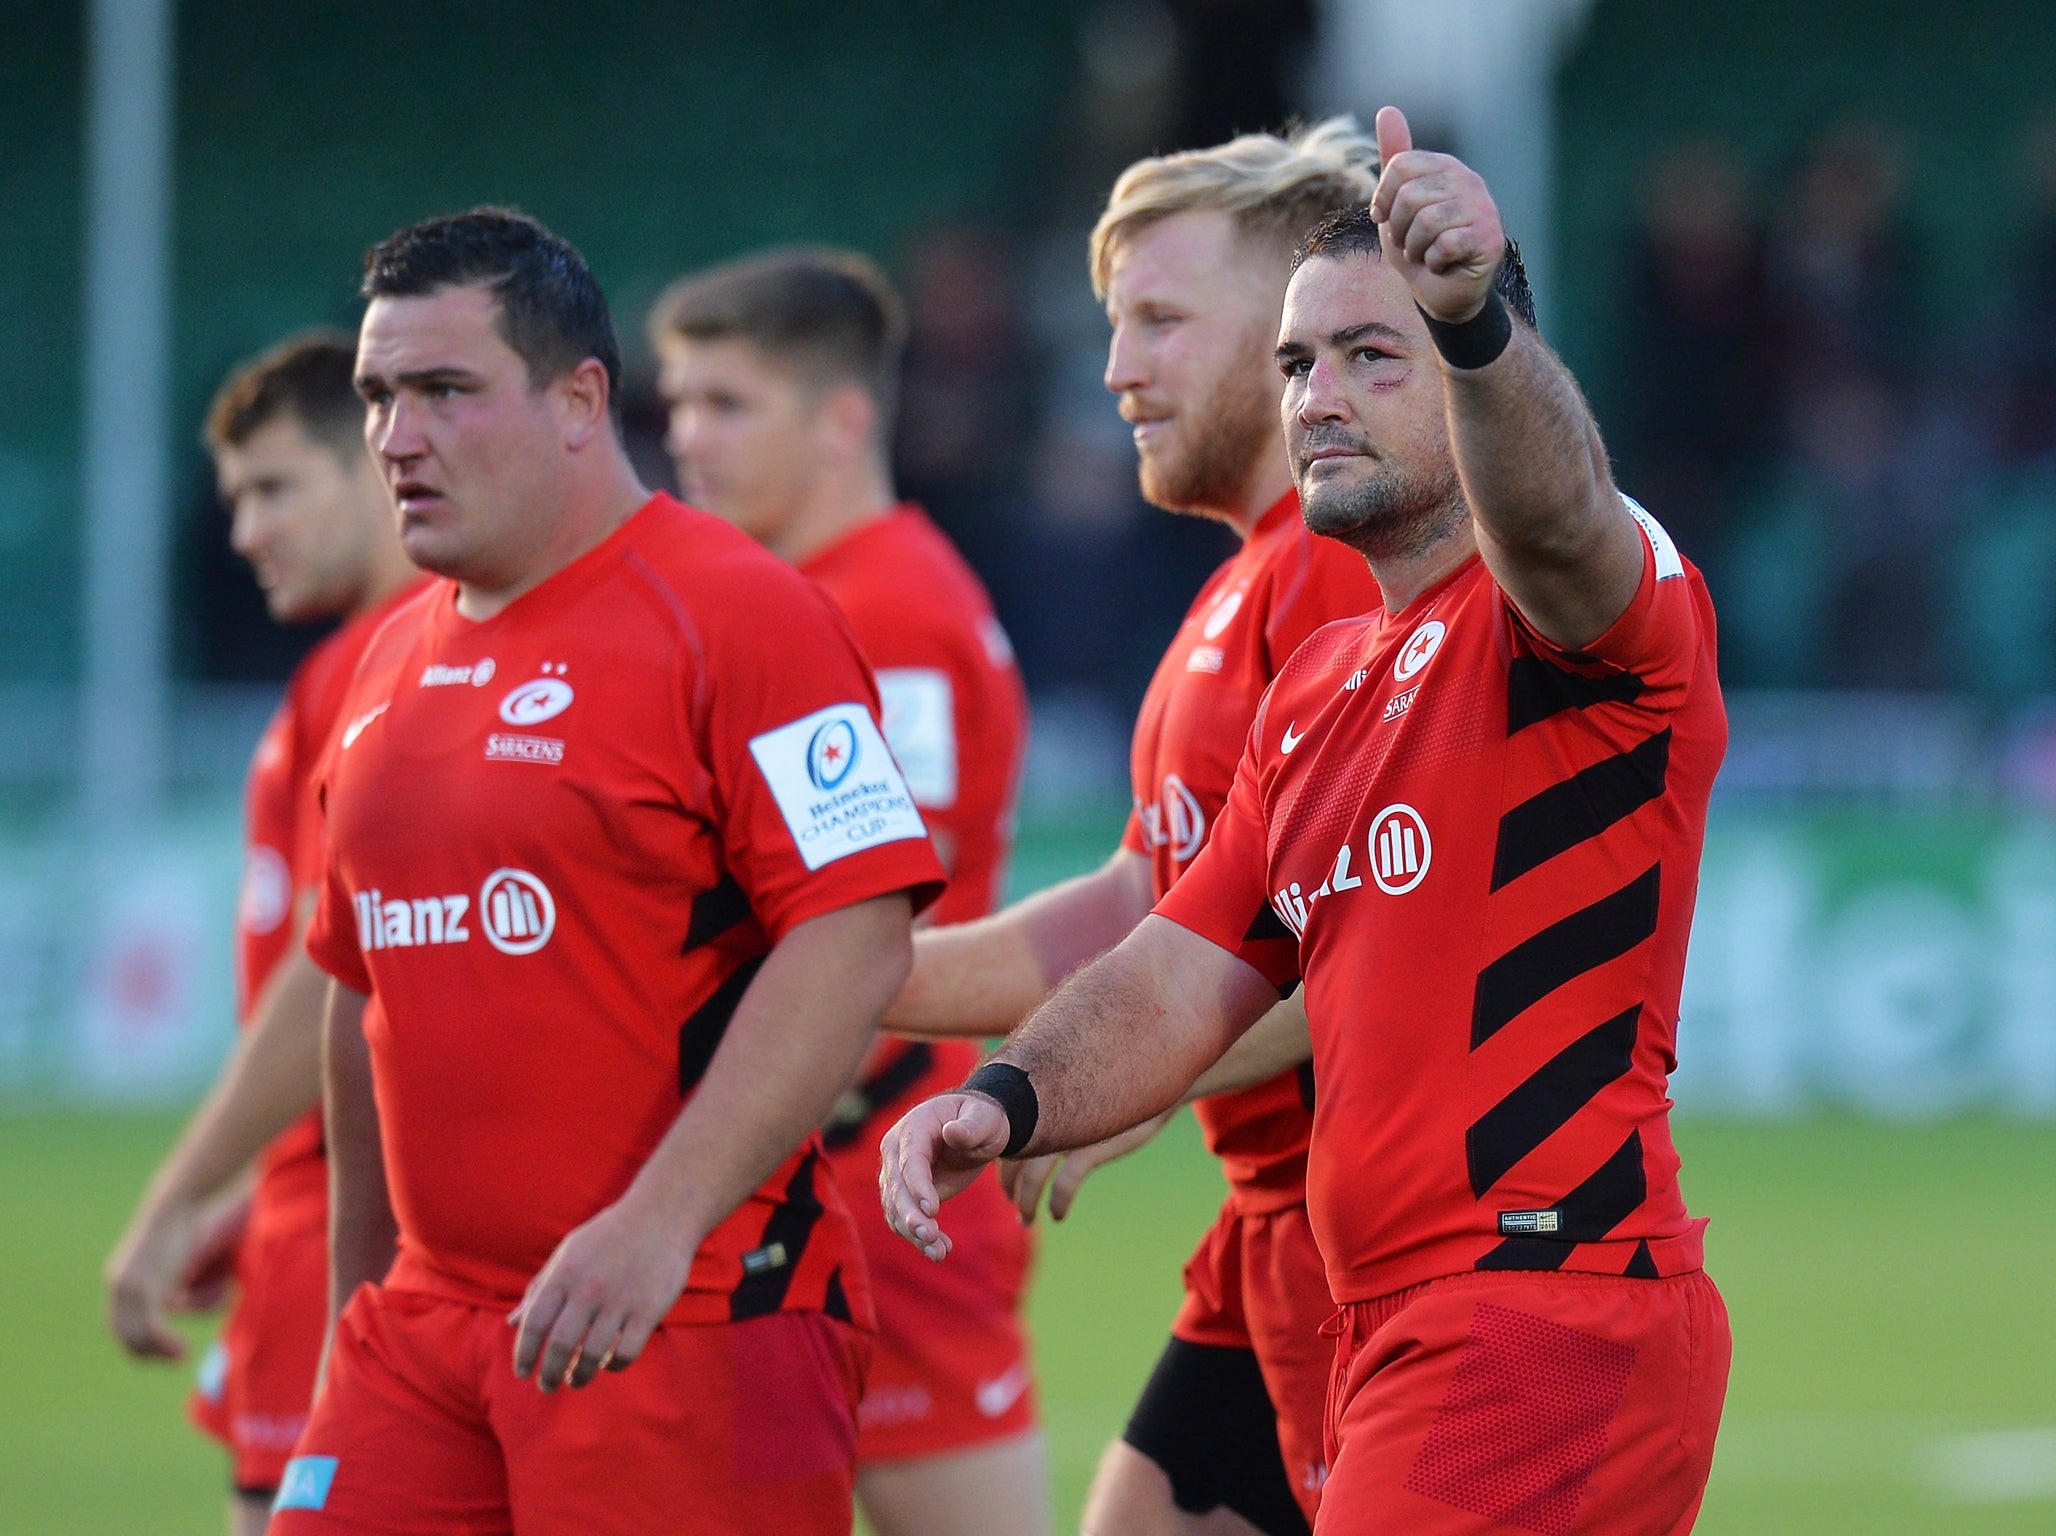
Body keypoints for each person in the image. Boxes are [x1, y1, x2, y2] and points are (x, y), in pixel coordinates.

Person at [882, 107, 1732, 1535]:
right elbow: (1175, 964)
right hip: (1387, 1305)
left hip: (1540, 1301)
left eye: (1370, 355)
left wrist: (1473, 324)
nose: (1318, 396)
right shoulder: (1324, 688)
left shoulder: (1576, 612)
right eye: (1296, 363)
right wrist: (1005, 1095)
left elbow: (1563, 512)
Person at [270, 208, 945, 1536]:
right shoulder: (380, 670)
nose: (396, 439)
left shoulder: (745, 615)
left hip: (693, 1309)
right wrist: (357, 1312)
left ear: (582, 398)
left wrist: (658, 1222)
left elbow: (858, 935)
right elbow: (364, 1002)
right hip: (420, 1333)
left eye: (445, 392)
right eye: (376, 397)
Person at [884, 120, 1386, 1536]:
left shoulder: (1349, 578)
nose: (1116, 370)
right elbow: (1142, 905)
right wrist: (857, 977)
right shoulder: (1239, 588)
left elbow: (1374, 940)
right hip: (1269, 1228)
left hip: (1377, 1249)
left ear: (1298, 326)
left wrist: (1135, 1073)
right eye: (1114, 327)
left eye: (1161, 320)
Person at [649, 248, 1045, 1536]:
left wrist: (687, 1160)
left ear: (842, 419)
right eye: (678, 404)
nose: (687, 440)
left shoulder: (888, 621)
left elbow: (881, 941)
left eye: (726, 404)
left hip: (876, 1180)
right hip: (813, 1165)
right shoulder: (813, 605)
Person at [103, 332, 422, 1535]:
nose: (245, 532)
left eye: (276, 486)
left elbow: (327, 969)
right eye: (235, 496)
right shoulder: (356, 669)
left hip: (343, 1240)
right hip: (327, 1212)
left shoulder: (383, 672)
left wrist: (180, 1193)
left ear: (374, 466)